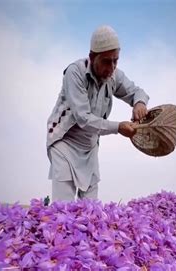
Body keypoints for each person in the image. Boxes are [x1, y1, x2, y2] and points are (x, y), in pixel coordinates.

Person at [46, 25, 149, 201]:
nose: (111, 67)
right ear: (93, 57)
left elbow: (137, 91)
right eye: (107, 61)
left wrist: (139, 103)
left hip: (89, 146)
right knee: (63, 208)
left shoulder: (114, 75)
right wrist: (118, 127)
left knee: (90, 210)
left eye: (116, 60)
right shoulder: (75, 73)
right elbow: (83, 119)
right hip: (65, 142)